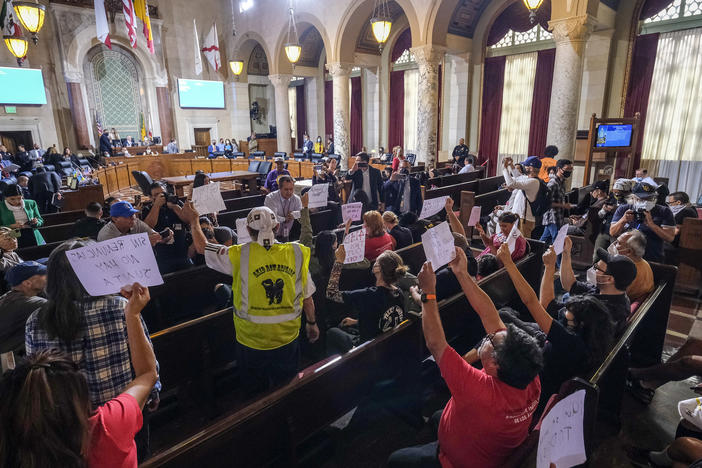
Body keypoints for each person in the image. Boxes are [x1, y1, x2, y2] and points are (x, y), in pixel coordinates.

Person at [388, 249, 543, 468]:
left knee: (396, 460)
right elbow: (490, 315)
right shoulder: (528, 374)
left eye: (490, 340)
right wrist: (461, 274)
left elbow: (435, 343)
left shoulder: (479, 391)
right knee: (436, 417)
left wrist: (428, 294)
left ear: (494, 364)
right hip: (490, 442)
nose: (488, 336)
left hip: (462, 462)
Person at [4, 282, 157, 468]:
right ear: (79, 393)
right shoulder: (108, 427)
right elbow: (148, 374)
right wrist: (132, 314)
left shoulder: (15, 444)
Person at [183, 203, 319, 396]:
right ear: (277, 227)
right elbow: (307, 297)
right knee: (287, 389)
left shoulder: (239, 254)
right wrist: (312, 323)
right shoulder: (297, 253)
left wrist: (194, 220)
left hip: (251, 341)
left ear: (248, 230)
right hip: (287, 338)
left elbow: (202, 247)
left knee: (255, 394)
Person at [25, 240, 160, 409]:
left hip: (71, 417)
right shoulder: (120, 307)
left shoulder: (36, 320)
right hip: (121, 411)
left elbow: (37, 377)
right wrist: (152, 391)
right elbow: (144, 358)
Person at [497, 243, 615, 407]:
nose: (565, 310)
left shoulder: (569, 340)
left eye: (568, 311)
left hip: (536, 384)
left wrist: (509, 263)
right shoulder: (591, 334)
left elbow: (531, 301)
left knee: (500, 326)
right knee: (505, 314)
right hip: (548, 355)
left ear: (579, 323)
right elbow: (549, 305)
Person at [325, 248, 407, 355]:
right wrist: (356, 321)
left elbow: (331, 293)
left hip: (367, 349)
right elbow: (383, 319)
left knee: (332, 333)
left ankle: (341, 368)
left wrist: (338, 262)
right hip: (387, 343)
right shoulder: (399, 293)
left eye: (376, 262)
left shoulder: (369, 295)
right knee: (347, 326)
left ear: (378, 269)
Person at [553, 237, 636, 331]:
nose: (594, 270)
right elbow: (569, 285)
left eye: (597, 268)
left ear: (608, 279)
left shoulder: (604, 311)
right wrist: (566, 253)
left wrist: (549, 267)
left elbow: (550, 308)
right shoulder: (604, 289)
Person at [610, 180, 675, 263]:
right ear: (633, 198)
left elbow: (669, 238)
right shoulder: (623, 209)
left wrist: (652, 225)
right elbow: (612, 232)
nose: (645, 202)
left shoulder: (664, 211)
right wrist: (623, 220)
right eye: (641, 199)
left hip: (652, 257)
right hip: (625, 256)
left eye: (649, 198)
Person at [140, 184, 191, 273]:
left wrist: (175, 207)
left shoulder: (176, 203)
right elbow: (147, 228)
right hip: (162, 257)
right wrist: (156, 206)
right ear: (150, 198)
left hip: (182, 253)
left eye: (163, 193)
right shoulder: (147, 210)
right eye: (156, 195)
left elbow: (188, 220)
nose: (161, 196)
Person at [0, 261, 47, 355]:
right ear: (27, 283)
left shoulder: (7, 298)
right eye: (43, 274)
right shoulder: (33, 304)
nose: (48, 276)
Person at [502, 156, 543, 238]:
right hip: (519, 217)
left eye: (526, 166)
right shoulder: (529, 179)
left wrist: (504, 168)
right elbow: (519, 177)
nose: (524, 167)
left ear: (531, 168)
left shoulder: (534, 182)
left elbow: (511, 184)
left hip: (525, 219)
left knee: (523, 244)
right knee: (513, 242)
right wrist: (511, 165)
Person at [97, 201, 165, 248]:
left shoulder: (137, 223)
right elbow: (121, 252)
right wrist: (144, 241)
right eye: (127, 216)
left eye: (133, 214)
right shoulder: (107, 235)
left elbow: (155, 235)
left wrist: (164, 236)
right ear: (115, 219)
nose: (132, 218)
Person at [540, 159, 574, 249]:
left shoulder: (562, 182)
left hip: (558, 216)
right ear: (559, 169)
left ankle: (535, 259)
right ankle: (559, 263)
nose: (569, 171)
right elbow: (546, 202)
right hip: (552, 217)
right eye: (567, 169)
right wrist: (564, 206)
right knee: (558, 242)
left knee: (543, 241)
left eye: (571, 169)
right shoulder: (553, 183)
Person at [612, 230, 654, 303]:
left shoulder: (626, 271)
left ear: (629, 252)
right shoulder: (644, 263)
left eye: (619, 243)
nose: (614, 245)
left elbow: (613, 297)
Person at [0, 184, 44, 248]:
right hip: (11, 237)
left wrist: (36, 222)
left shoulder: (31, 203)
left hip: (32, 234)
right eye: (12, 199)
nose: (16, 201)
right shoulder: (1, 207)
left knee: (38, 254)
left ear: (22, 196)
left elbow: (41, 220)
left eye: (19, 198)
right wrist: (11, 226)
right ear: (5, 197)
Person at [264, 175, 302, 241]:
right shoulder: (270, 198)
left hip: (290, 234)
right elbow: (272, 217)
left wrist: (293, 214)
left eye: (291, 189)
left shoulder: (296, 199)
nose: (289, 192)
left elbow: (301, 212)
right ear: (279, 188)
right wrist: (284, 219)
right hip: (272, 236)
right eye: (286, 189)